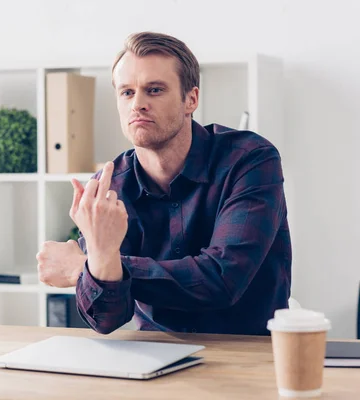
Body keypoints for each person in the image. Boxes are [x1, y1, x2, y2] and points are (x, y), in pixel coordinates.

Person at [36, 31, 292, 336]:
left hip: (248, 353)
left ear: (191, 99)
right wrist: (101, 267)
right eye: (127, 92)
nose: (138, 104)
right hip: (154, 354)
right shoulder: (109, 187)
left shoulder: (249, 159)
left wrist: (91, 267)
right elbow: (107, 320)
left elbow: (223, 279)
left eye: (154, 90)